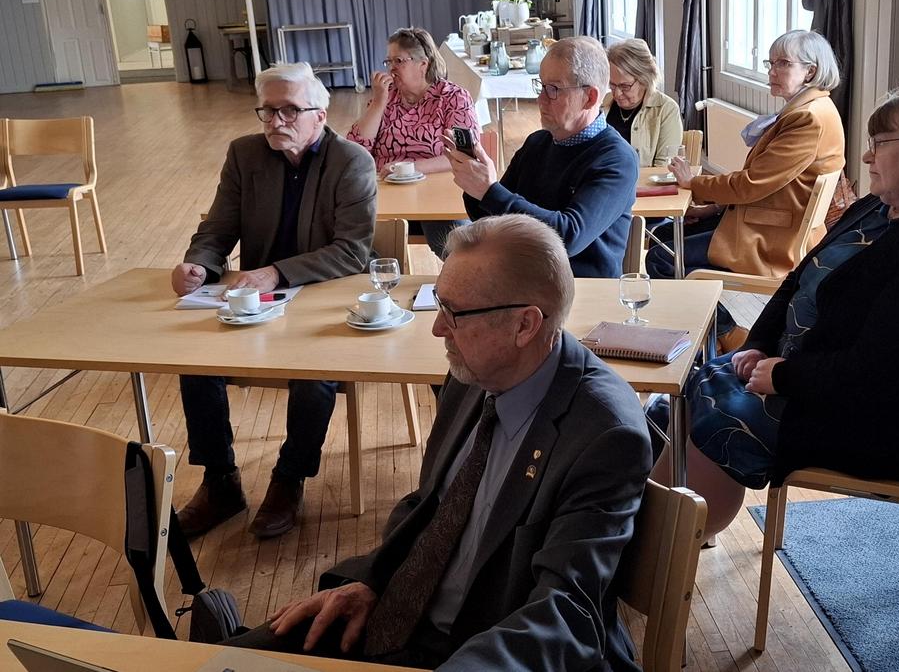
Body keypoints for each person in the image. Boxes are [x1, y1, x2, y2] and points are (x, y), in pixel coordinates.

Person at [223, 214, 653, 670]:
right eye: (439, 305)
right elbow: (429, 504)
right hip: (406, 613)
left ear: (525, 325)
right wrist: (371, 581)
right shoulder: (472, 374)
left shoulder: (604, 434)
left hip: (490, 652)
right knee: (230, 662)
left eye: (454, 313)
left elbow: (566, 613)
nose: (437, 329)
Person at [679, 83, 899, 539]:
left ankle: (672, 545)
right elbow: (798, 277)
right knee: (703, 378)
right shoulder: (883, 205)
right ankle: (657, 526)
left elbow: (885, 373)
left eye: (879, 144)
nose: (867, 157)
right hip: (828, 379)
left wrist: (784, 376)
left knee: (720, 408)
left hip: (892, 423)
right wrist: (760, 343)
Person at [171, 62, 377, 539]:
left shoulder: (351, 162)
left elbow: (352, 251)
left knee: (313, 375)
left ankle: (288, 479)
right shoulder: (244, 154)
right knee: (194, 362)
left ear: (319, 115)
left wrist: (276, 272)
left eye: (289, 110)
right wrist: (198, 265)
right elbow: (217, 229)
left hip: (324, 300)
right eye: (267, 110)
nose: (275, 121)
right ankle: (220, 481)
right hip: (255, 301)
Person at [646, 29, 845, 281]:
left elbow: (752, 183)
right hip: (767, 221)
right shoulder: (813, 108)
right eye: (771, 63)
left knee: (661, 257)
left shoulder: (807, 118)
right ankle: (702, 302)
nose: (772, 72)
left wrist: (693, 183)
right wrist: (713, 208)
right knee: (664, 235)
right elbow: (764, 183)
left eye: (783, 63)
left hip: (771, 237)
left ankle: (714, 308)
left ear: (811, 71)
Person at [450, 36, 639, 278]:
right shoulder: (537, 143)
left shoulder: (617, 159)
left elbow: (569, 237)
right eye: (541, 86)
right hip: (524, 279)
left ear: (590, 97)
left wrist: (489, 191)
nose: (540, 100)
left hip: (584, 288)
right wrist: (474, 185)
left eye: (553, 89)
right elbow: (491, 217)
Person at [348, 27, 479, 258]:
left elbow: (464, 152)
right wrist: (379, 101)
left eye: (398, 61)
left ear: (423, 64)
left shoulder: (453, 97)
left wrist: (409, 168)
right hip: (386, 196)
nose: (391, 68)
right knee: (360, 243)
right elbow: (357, 148)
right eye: (388, 62)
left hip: (436, 195)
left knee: (457, 248)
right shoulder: (386, 98)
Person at [604, 38, 682, 166]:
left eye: (625, 86)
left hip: (644, 179)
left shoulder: (666, 109)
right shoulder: (601, 104)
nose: (617, 93)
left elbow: (664, 168)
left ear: (645, 79)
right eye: (612, 85)